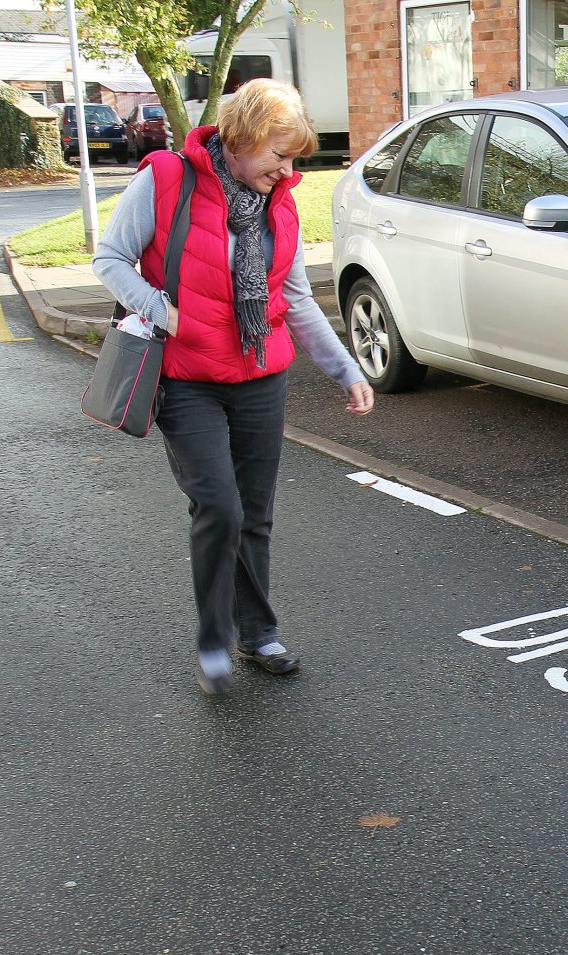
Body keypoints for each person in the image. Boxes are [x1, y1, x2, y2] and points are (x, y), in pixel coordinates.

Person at [92, 78, 374, 697]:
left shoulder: (280, 202)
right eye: (279, 154)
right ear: (242, 140)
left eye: (295, 156)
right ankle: (213, 640)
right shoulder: (167, 180)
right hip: (187, 377)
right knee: (218, 506)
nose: (288, 168)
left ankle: (258, 632)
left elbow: (294, 298)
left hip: (260, 375)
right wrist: (162, 310)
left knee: (256, 513)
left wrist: (346, 368)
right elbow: (110, 257)